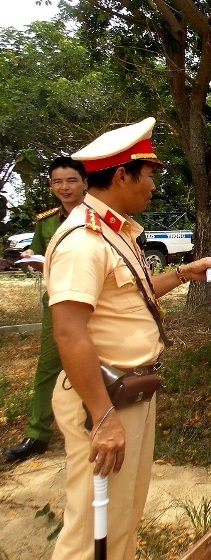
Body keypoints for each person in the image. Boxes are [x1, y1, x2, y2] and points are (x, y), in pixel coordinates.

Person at [45, 117, 211, 560]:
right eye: (149, 175)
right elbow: (69, 332)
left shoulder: (114, 231)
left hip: (129, 394)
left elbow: (134, 295)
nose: (153, 186)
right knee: (91, 532)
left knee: (122, 517)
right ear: (122, 175)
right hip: (102, 400)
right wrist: (103, 419)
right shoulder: (83, 240)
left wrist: (184, 273)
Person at [3, 157, 87, 463]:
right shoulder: (47, 221)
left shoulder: (98, 216)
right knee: (48, 367)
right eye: (57, 182)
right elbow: (40, 255)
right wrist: (32, 257)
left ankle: (94, 424)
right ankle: (37, 434)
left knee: (98, 362)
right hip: (59, 304)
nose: (64, 187)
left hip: (95, 304)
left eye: (71, 180)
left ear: (84, 183)